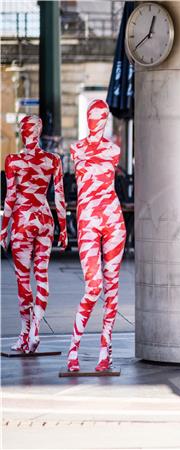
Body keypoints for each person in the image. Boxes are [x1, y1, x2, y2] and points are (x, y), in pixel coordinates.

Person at [66, 99, 127, 373]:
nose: (98, 120)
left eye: (103, 116)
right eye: (94, 115)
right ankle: (74, 349)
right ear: (88, 117)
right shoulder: (75, 148)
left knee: (112, 287)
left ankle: (106, 350)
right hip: (88, 218)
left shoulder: (113, 149)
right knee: (93, 287)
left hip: (112, 217)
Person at [1, 115, 67, 353]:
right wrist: (63, 228)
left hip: (23, 219)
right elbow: (59, 197)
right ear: (38, 132)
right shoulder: (52, 160)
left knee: (22, 279)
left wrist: (2, 230)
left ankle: (24, 333)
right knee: (42, 274)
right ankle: (37, 329)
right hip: (45, 218)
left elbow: (10, 199)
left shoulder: (14, 161)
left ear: (22, 132)